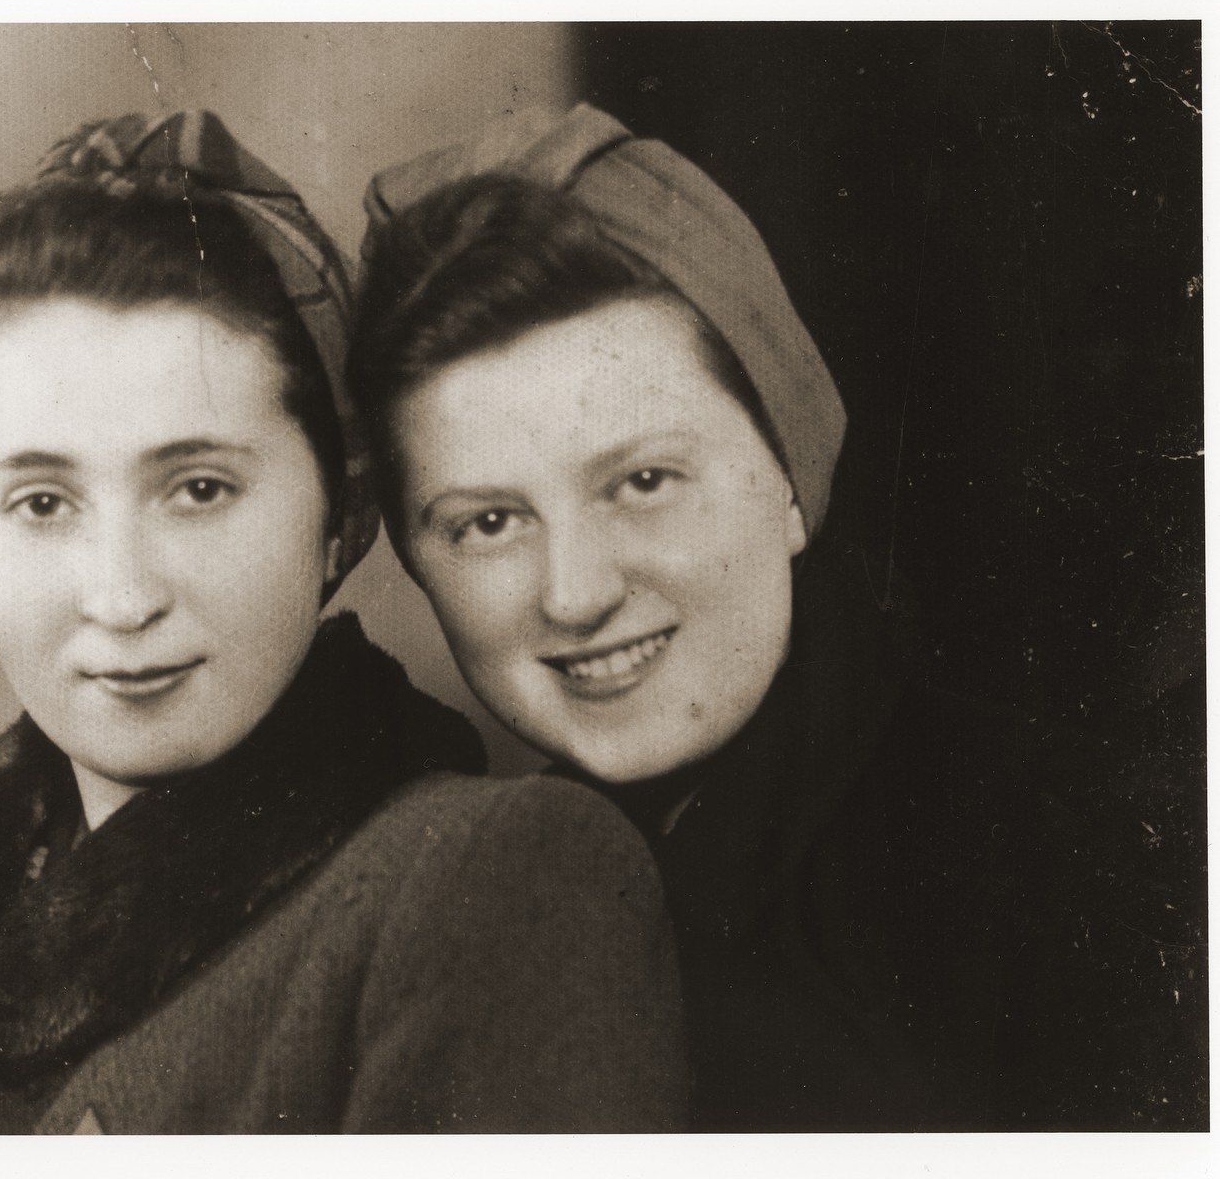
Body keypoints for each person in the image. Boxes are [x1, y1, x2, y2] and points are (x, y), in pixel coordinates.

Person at [0, 110, 685, 1134]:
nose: (121, 596)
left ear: (337, 514)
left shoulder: (485, 884)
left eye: (199, 489)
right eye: (41, 504)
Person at [346, 103, 1192, 1130]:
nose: (575, 592)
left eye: (644, 480)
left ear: (790, 475)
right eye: (486, 522)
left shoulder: (1106, 870)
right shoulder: (454, 925)